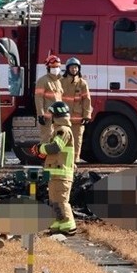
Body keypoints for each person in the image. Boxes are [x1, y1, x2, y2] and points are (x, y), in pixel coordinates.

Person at [39, 100, 77, 236]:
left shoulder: (63, 130)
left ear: (57, 116)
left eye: (51, 115)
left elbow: (55, 147)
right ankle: (57, 226)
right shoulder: (58, 130)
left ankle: (68, 225)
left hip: (62, 175)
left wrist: (40, 148)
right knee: (55, 201)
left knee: (61, 201)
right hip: (55, 174)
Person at [61, 56, 93, 161]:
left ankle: (75, 161)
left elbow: (87, 100)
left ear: (79, 69)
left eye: (76, 67)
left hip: (77, 119)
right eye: (72, 67)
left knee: (77, 141)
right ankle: (63, 160)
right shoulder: (61, 82)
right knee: (62, 140)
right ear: (67, 68)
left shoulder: (82, 83)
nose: (74, 69)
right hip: (63, 119)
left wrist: (87, 116)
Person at [34, 54, 64, 144]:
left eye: (57, 67)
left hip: (58, 117)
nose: (56, 69)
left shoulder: (58, 81)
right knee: (46, 139)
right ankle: (43, 158)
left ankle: (52, 158)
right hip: (47, 118)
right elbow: (39, 98)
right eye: (53, 67)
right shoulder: (42, 81)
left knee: (56, 140)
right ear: (48, 68)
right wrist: (40, 115)